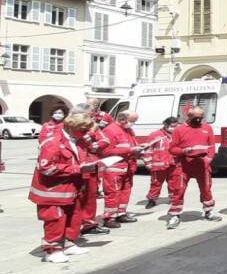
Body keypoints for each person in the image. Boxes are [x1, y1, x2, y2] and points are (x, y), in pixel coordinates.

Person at [29, 112, 96, 263]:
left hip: (71, 189)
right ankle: (52, 250)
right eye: (83, 130)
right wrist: (78, 169)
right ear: (71, 127)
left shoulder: (76, 140)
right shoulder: (52, 142)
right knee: (55, 220)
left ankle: (68, 244)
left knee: (73, 216)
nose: (85, 134)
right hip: (53, 191)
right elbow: (46, 167)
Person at [166, 107, 222, 229]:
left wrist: (209, 159)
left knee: (206, 188)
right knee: (178, 189)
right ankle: (175, 214)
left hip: (202, 164)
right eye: (195, 118)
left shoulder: (207, 128)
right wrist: (183, 151)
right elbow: (171, 149)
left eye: (200, 117)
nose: (198, 120)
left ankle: (209, 211)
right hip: (184, 164)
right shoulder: (179, 130)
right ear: (188, 116)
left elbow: (211, 146)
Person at [100, 111, 142, 228]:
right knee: (113, 193)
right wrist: (130, 150)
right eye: (132, 121)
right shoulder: (109, 130)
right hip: (114, 168)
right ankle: (109, 217)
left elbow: (131, 145)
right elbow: (105, 151)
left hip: (128, 166)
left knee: (125, 191)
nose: (133, 124)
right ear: (123, 119)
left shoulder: (128, 130)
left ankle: (121, 213)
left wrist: (138, 150)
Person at [75, 103, 110, 236]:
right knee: (80, 197)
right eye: (90, 112)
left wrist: (93, 145)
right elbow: (78, 141)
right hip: (79, 165)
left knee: (91, 196)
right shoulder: (74, 125)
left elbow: (105, 141)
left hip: (92, 163)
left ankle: (88, 223)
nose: (93, 115)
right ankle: (76, 225)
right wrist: (91, 134)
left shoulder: (92, 124)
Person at [143, 117, 180, 209]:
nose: (174, 128)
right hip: (159, 164)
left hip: (174, 163)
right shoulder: (155, 135)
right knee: (156, 183)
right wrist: (148, 163)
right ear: (166, 125)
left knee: (174, 183)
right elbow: (148, 149)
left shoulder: (178, 135)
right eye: (172, 126)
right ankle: (152, 200)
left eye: (176, 126)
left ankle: (173, 199)